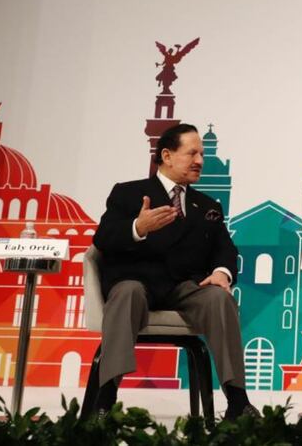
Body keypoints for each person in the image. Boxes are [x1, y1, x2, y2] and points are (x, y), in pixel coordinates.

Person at [91, 123, 258, 420]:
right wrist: (137, 228)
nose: (200, 161)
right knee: (127, 292)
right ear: (167, 155)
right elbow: (103, 239)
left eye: (202, 155)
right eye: (192, 153)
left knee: (219, 298)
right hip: (136, 283)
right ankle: (105, 402)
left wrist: (222, 272)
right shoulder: (129, 193)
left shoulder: (207, 205)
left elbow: (226, 250)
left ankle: (238, 402)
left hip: (184, 288)